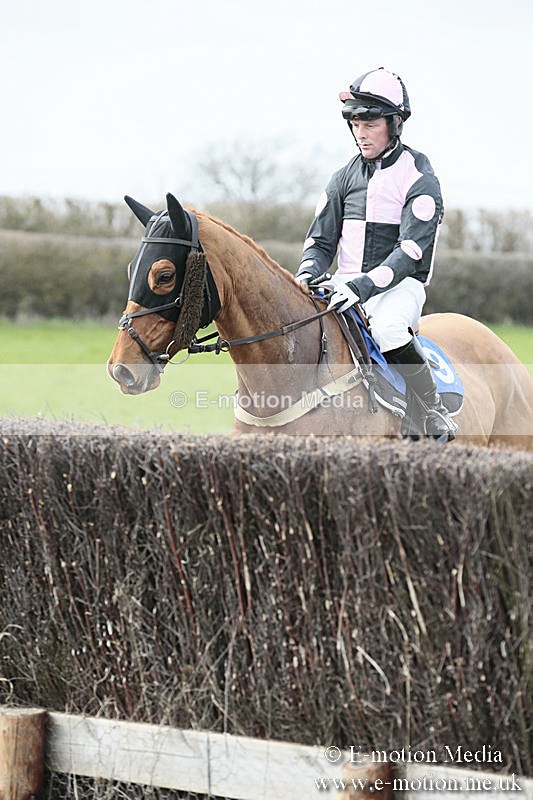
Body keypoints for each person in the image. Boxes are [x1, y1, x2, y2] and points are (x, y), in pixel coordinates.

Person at [295, 67, 456, 441]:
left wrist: (363, 287)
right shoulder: (341, 177)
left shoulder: (419, 176)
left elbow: (410, 252)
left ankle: (433, 410)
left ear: (394, 123)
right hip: (345, 283)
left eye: (369, 122)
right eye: (354, 123)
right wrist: (305, 275)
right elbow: (319, 243)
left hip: (398, 288)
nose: (360, 132)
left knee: (386, 329)